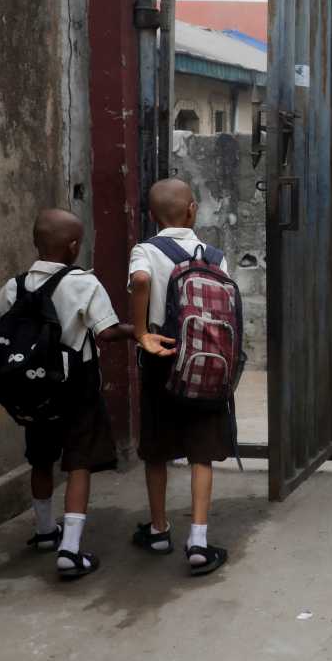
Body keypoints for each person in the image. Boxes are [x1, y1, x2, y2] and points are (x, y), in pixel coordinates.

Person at [0, 209, 133, 579]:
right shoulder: (84, 284)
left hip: (33, 392)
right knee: (78, 463)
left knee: (40, 458)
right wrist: (136, 331)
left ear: (36, 244)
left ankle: (43, 531)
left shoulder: (15, 285)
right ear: (73, 247)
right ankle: (70, 549)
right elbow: (105, 333)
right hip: (75, 389)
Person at [128, 178, 234, 576]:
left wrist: (140, 334)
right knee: (201, 453)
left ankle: (158, 529)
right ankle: (200, 540)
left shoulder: (146, 250)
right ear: (193, 209)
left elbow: (139, 281)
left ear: (153, 216)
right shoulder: (215, 255)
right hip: (207, 363)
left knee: (157, 448)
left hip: (162, 356)